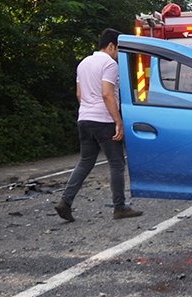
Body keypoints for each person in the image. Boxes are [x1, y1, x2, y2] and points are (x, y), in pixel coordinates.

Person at [55, 28, 143, 222]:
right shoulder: (109, 64)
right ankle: (120, 208)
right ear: (111, 46)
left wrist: (88, 111)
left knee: (85, 162)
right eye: (118, 49)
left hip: (84, 118)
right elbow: (106, 94)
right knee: (117, 163)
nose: (118, 54)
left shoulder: (83, 63)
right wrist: (117, 121)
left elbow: (79, 95)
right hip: (103, 120)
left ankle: (65, 202)